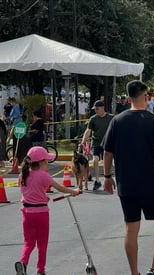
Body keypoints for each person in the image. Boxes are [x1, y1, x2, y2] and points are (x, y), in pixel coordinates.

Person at [101, 80, 154, 275]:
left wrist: (107, 176)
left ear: (128, 98)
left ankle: (134, 272)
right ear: (146, 96)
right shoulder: (153, 121)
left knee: (131, 228)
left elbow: (107, 152)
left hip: (126, 183)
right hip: (150, 183)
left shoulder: (117, 121)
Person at [14, 146, 80, 275]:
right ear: (40, 162)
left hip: (26, 213)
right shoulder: (44, 176)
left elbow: (29, 193)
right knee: (42, 244)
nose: (47, 164)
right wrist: (74, 192)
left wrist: (43, 197)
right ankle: (40, 270)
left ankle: (23, 262)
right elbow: (60, 188)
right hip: (41, 213)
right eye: (46, 161)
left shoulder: (23, 175)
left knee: (28, 243)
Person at [81, 100, 113, 191]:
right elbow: (88, 131)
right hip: (96, 143)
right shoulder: (93, 119)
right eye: (95, 109)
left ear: (102, 108)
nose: (96, 110)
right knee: (95, 160)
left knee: (107, 162)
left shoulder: (111, 118)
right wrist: (83, 141)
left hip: (107, 142)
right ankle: (97, 181)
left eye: (97, 109)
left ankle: (107, 180)